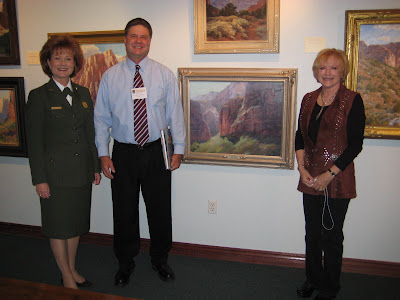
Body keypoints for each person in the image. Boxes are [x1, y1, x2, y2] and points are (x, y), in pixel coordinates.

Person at [94, 18, 186, 287]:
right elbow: (101, 119)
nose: (138, 41)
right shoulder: (110, 77)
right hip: (123, 152)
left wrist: (178, 150)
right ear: (125, 39)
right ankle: (125, 262)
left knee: (159, 208)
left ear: (149, 41)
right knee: (124, 210)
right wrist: (103, 153)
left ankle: (160, 258)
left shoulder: (164, 75)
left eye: (143, 37)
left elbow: (175, 115)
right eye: (133, 36)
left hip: (157, 150)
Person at [25, 35, 101, 289]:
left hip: (81, 173)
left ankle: (72, 268)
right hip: (54, 176)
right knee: (58, 226)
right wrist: (40, 179)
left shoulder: (82, 93)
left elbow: (89, 134)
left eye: (68, 58)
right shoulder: (39, 96)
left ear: (75, 63)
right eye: (57, 58)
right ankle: (66, 274)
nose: (63, 62)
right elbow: (34, 143)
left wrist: (95, 168)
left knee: (75, 224)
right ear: (48, 62)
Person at [295, 48, 365, 300]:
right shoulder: (308, 99)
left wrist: (329, 174)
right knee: (312, 232)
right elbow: (300, 137)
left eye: (334, 68)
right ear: (316, 71)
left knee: (331, 236)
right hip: (310, 177)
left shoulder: (352, 99)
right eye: (323, 67)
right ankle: (313, 278)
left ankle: (330, 287)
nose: (327, 73)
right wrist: (302, 169)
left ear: (342, 71)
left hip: (337, 179)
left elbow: (355, 144)